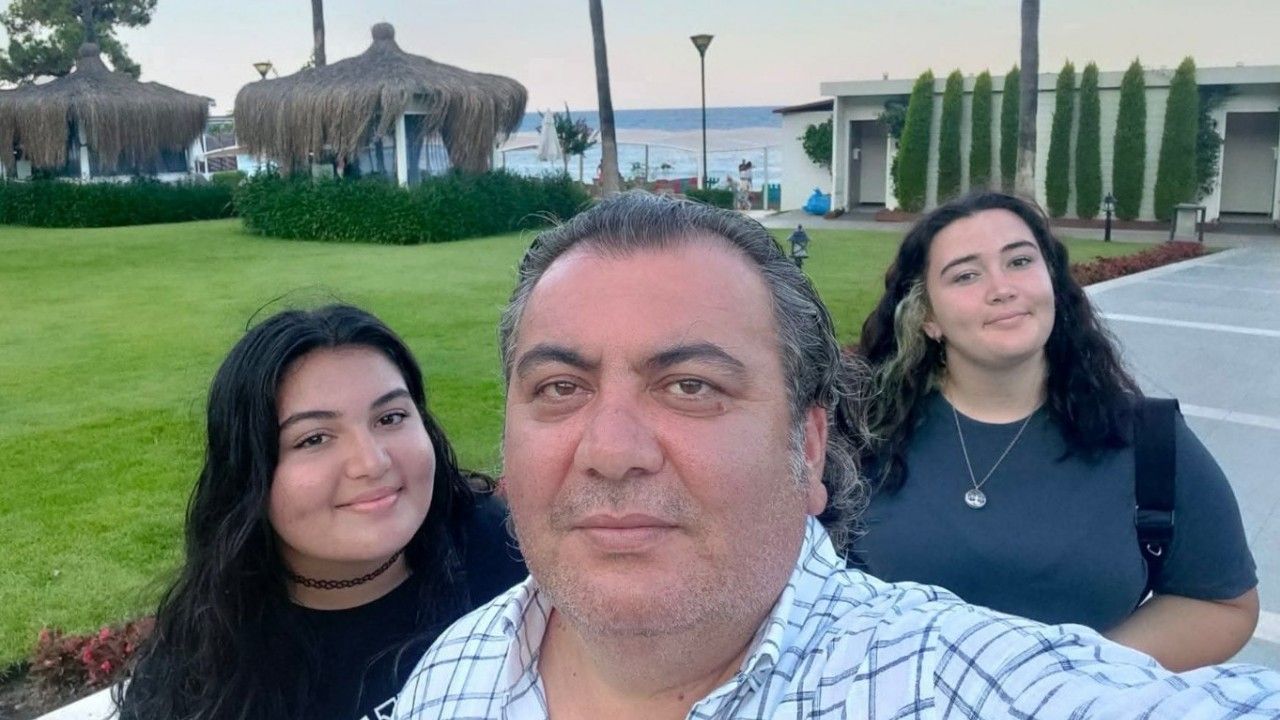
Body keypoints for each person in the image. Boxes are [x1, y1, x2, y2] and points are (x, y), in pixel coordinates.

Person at [393, 192, 1280, 719]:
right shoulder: (458, 670)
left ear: (810, 446)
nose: (611, 450)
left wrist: (1093, 658)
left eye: (691, 385)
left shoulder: (933, 679)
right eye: (559, 387)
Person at [852, 191, 1258, 671]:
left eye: (1020, 261)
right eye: (966, 275)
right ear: (928, 318)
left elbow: (1223, 604)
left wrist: (1068, 674)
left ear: (1052, 282)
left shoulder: (1148, 439)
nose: (1002, 288)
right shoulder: (861, 434)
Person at [117, 305, 526, 720]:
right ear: (249, 474)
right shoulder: (205, 670)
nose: (372, 462)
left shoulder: (506, 553)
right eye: (313, 439)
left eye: (391, 417)